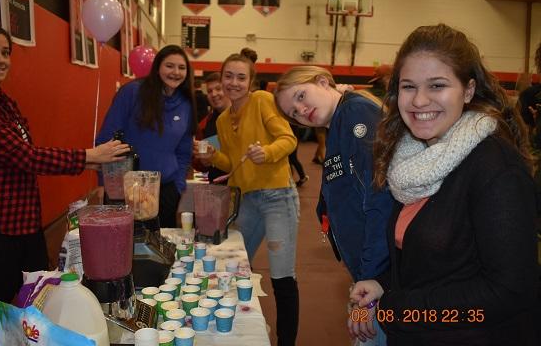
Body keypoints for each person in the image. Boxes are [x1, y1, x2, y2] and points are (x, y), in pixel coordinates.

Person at [348, 24, 538, 345]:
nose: (419, 100)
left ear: (468, 90)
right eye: (409, 86)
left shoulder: (496, 168)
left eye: (437, 85)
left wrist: (394, 310)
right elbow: (435, 263)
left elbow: (508, 291)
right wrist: (383, 284)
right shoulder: (413, 160)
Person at [0, 23, 130, 346]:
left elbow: (25, 156)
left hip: (21, 225)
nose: (1, 59)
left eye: (5, 52)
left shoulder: (5, 104)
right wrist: (88, 155)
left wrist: (92, 161)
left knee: (30, 303)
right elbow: (22, 156)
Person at [276, 65, 393, 346]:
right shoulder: (340, 122)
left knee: (370, 338)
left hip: (381, 275)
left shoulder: (355, 113)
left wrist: (370, 280)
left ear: (322, 81)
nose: (301, 110)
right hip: (370, 270)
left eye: (301, 96)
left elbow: (380, 198)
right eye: (293, 113)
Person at [195, 53, 300, 346]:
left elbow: (288, 139)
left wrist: (267, 152)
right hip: (247, 200)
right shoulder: (223, 119)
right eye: (228, 76)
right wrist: (213, 156)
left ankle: (286, 341)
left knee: (282, 276)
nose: (234, 83)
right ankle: (241, 324)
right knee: (236, 266)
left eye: (241, 77)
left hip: (278, 197)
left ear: (251, 81)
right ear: (221, 78)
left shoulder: (262, 101)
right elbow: (233, 163)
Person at [96, 45, 196, 229]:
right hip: (127, 189)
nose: (176, 72)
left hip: (166, 190)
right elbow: (107, 138)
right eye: (169, 66)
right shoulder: (132, 92)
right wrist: (105, 182)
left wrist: (178, 186)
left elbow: (184, 151)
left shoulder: (186, 104)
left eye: (182, 67)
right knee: (126, 242)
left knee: (160, 242)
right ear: (157, 68)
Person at [192, 72, 230, 182]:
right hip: (217, 185)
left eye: (218, 89)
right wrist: (202, 161)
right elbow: (198, 163)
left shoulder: (244, 117)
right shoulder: (204, 125)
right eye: (209, 91)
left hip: (245, 185)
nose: (214, 94)